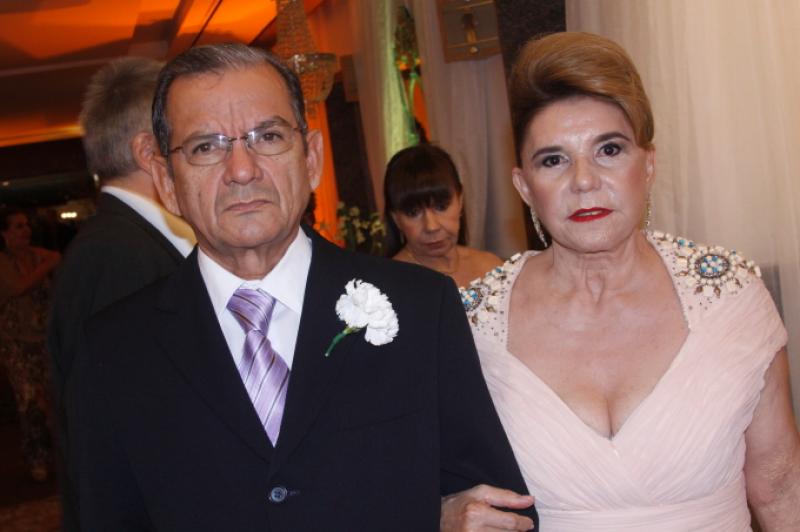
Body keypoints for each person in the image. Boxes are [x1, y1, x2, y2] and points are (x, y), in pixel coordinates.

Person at [73, 43, 537, 531]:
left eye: (268, 136)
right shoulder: (114, 351)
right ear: (167, 182)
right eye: (206, 147)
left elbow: (498, 511)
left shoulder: (421, 307)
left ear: (311, 158)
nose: (242, 169)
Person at [448, 31, 800, 531]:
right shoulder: (472, 323)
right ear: (524, 186)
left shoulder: (730, 296)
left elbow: (781, 486)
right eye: (553, 160)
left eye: (609, 149)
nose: (584, 180)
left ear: (648, 164)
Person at [48, 56, 195, 530]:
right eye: (189, 135)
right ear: (150, 150)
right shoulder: (117, 256)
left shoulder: (128, 242)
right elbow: (115, 437)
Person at [384, 144, 502, 287]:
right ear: (396, 219)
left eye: (441, 207)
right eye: (413, 213)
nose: (431, 227)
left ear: (460, 201)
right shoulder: (389, 285)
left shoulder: (491, 266)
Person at [0, 207, 60, 481]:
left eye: (26, 225)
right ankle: (38, 457)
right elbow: (17, 287)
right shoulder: (3, 263)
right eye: (18, 226)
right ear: (4, 233)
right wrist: (48, 264)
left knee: (53, 398)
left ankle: (59, 454)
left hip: (44, 340)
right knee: (30, 400)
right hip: (16, 345)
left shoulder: (38, 256)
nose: (25, 230)